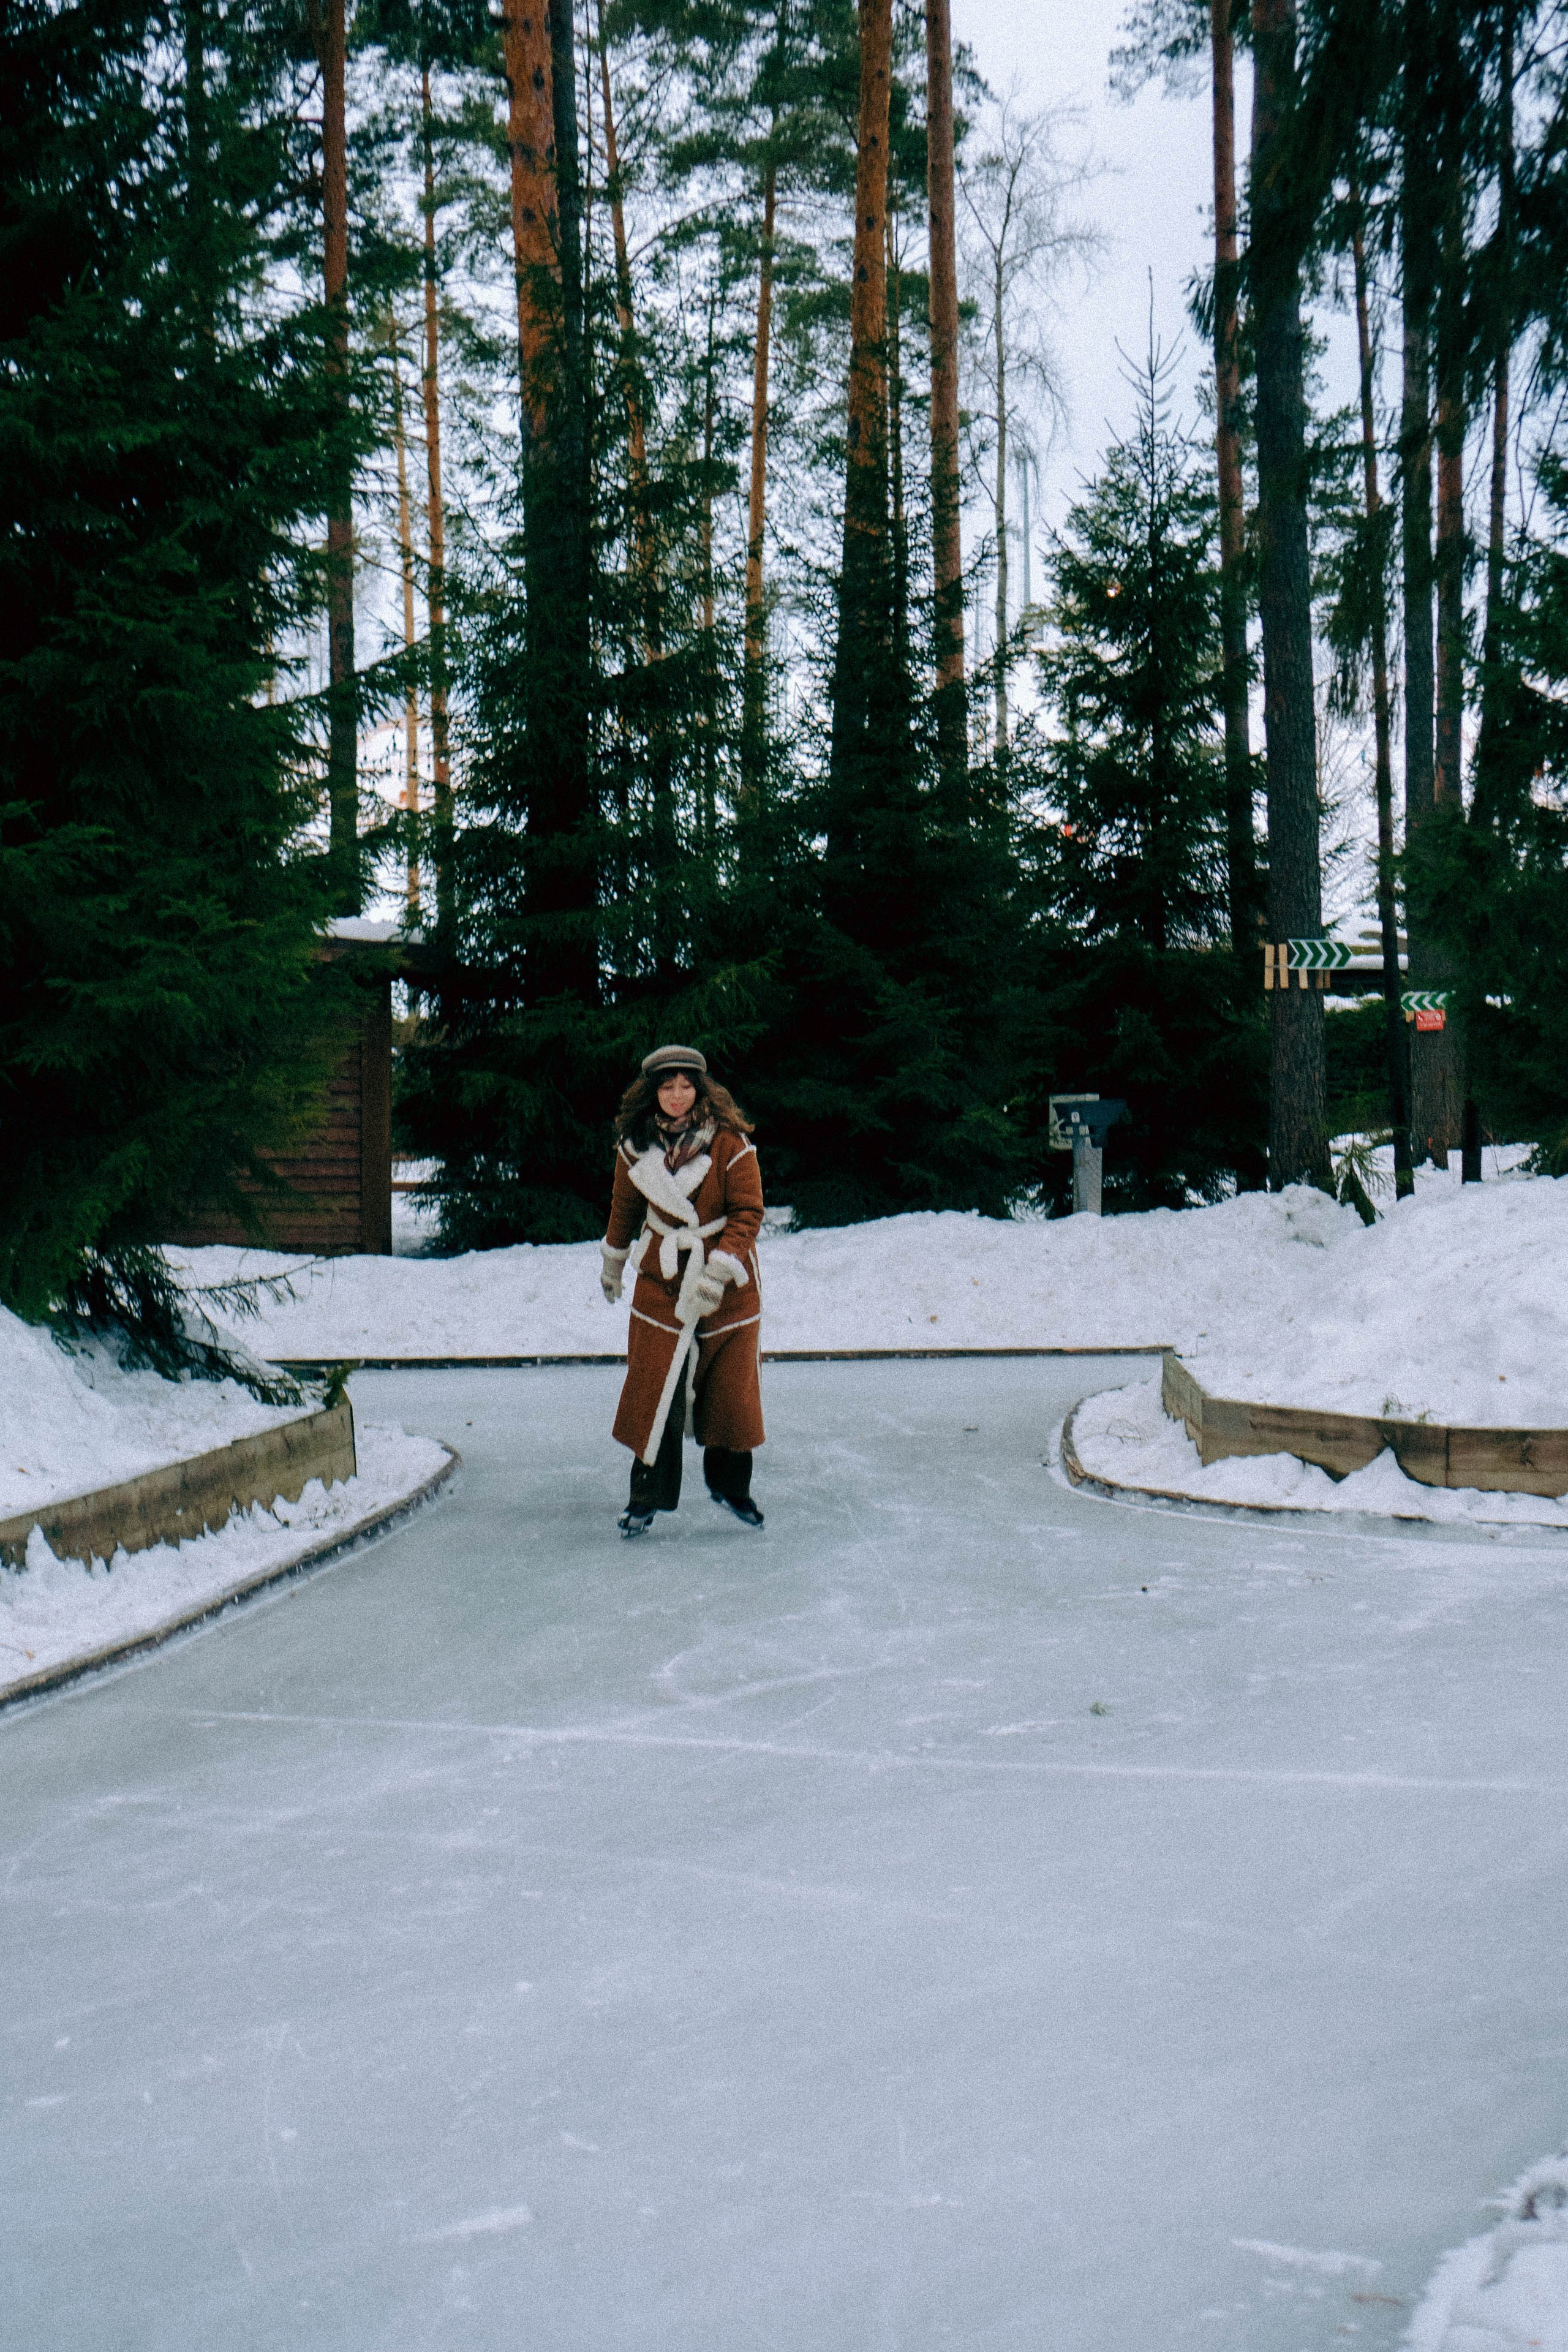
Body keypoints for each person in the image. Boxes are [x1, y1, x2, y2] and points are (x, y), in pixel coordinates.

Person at [600, 1045, 766, 1539]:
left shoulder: (731, 1144)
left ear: (700, 1089)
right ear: (653, 1094)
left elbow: (748, 1213)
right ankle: (644, 1499)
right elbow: (624, 1208)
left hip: (726, 1281)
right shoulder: (636, 1148)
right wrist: (613, 1262)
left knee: (731, 1393)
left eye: (685, 1086)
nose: (676, 1096)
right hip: (662, 1278)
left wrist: (718, 1271)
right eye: (666, 1087)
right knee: (655, 1389)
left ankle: (732, 1488)